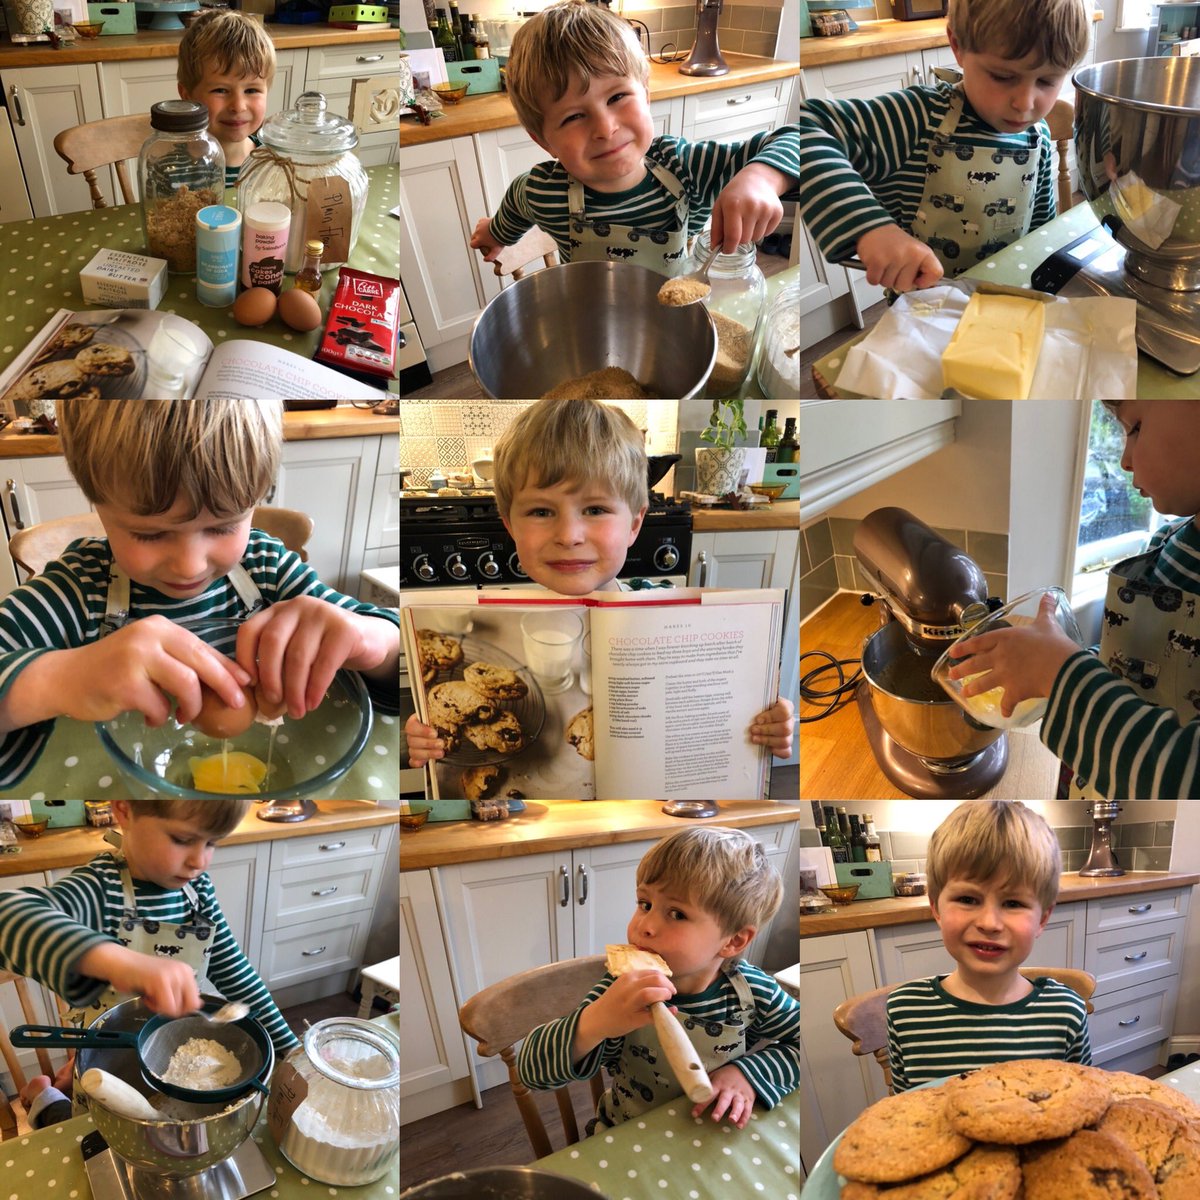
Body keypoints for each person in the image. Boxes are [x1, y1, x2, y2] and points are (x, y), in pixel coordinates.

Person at [0, 400, 400, 789]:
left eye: (224, 526)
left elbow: (402, 655)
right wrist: (64, 676)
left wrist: (372, 642)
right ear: (98, 505)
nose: (190, 566)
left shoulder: (266, 570)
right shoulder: (79, 590)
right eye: (150, 533)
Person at [405, 397, 795, 768]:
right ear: (509, 526)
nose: (570, 534)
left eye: (595, 509)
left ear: (635, 524)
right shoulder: (496, 622)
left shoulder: (679, 617)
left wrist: (765, 724)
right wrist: (428, 739)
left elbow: (723, 707)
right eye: (541, 511)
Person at [948, 401, 1200, 800]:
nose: (1125, 461)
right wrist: (1060, 665)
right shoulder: (1171, 543)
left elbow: (1185, 777)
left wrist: (1061, 673)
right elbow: (1154, 664)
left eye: (1134, 428)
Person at [2, 799, 300, 1127]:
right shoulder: (101, 889)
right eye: (182, 840)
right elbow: (8, 914)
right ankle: (43, 1095)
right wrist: (121, 963)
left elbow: (234, 971)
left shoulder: (197, 891)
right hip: (108, 1066)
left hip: (172, 1058)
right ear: (125, 810)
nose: (198, 861)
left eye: (212, 843)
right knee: (101, 1137)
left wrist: (291, 1050)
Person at [468, 0, 799, 272]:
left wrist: (761, 178)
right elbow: (515, 206)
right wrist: (496, 232)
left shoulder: (687, 167)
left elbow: (798, 141)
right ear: (543, 141)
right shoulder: (544, 191)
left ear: (646, 96)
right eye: (573, 116)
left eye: (617, 98)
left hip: (673, 324)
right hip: (588, 327)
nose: (605, 128)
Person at [798, 0, 1090, 293]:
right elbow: (809, 127)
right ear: (957, 46)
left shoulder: (1037, 135)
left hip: (1006, 305)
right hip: (925, 314)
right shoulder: (918, 118)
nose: (1025, 103)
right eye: (1003, 77)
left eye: (1047, 80)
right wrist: (870, 229)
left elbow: (1039, 237)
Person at [517, 826, 797, 1131]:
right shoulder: (624, 993)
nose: (645, 926)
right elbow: (531, 1072)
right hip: (626, 1133)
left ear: (733, 941)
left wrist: (747, 1073)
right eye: (644, 904)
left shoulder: (753, 992)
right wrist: (596, 1021)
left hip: (710, 1130)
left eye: (676, 914)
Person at [887, 801, 1090, 1091]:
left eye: (1013, 903)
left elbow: (1083, 1105)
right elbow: (903, 1112)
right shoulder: (905, 1010)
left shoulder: (1065, 1013)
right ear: (936, 908)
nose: (990, 923)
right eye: (968, 899)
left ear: (1043, 919)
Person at [176, 9, 276, 185]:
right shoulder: (172, 169)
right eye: (220, 90)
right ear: (187, 96)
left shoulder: (274, 161)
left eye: (251, 90)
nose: (238, 106)